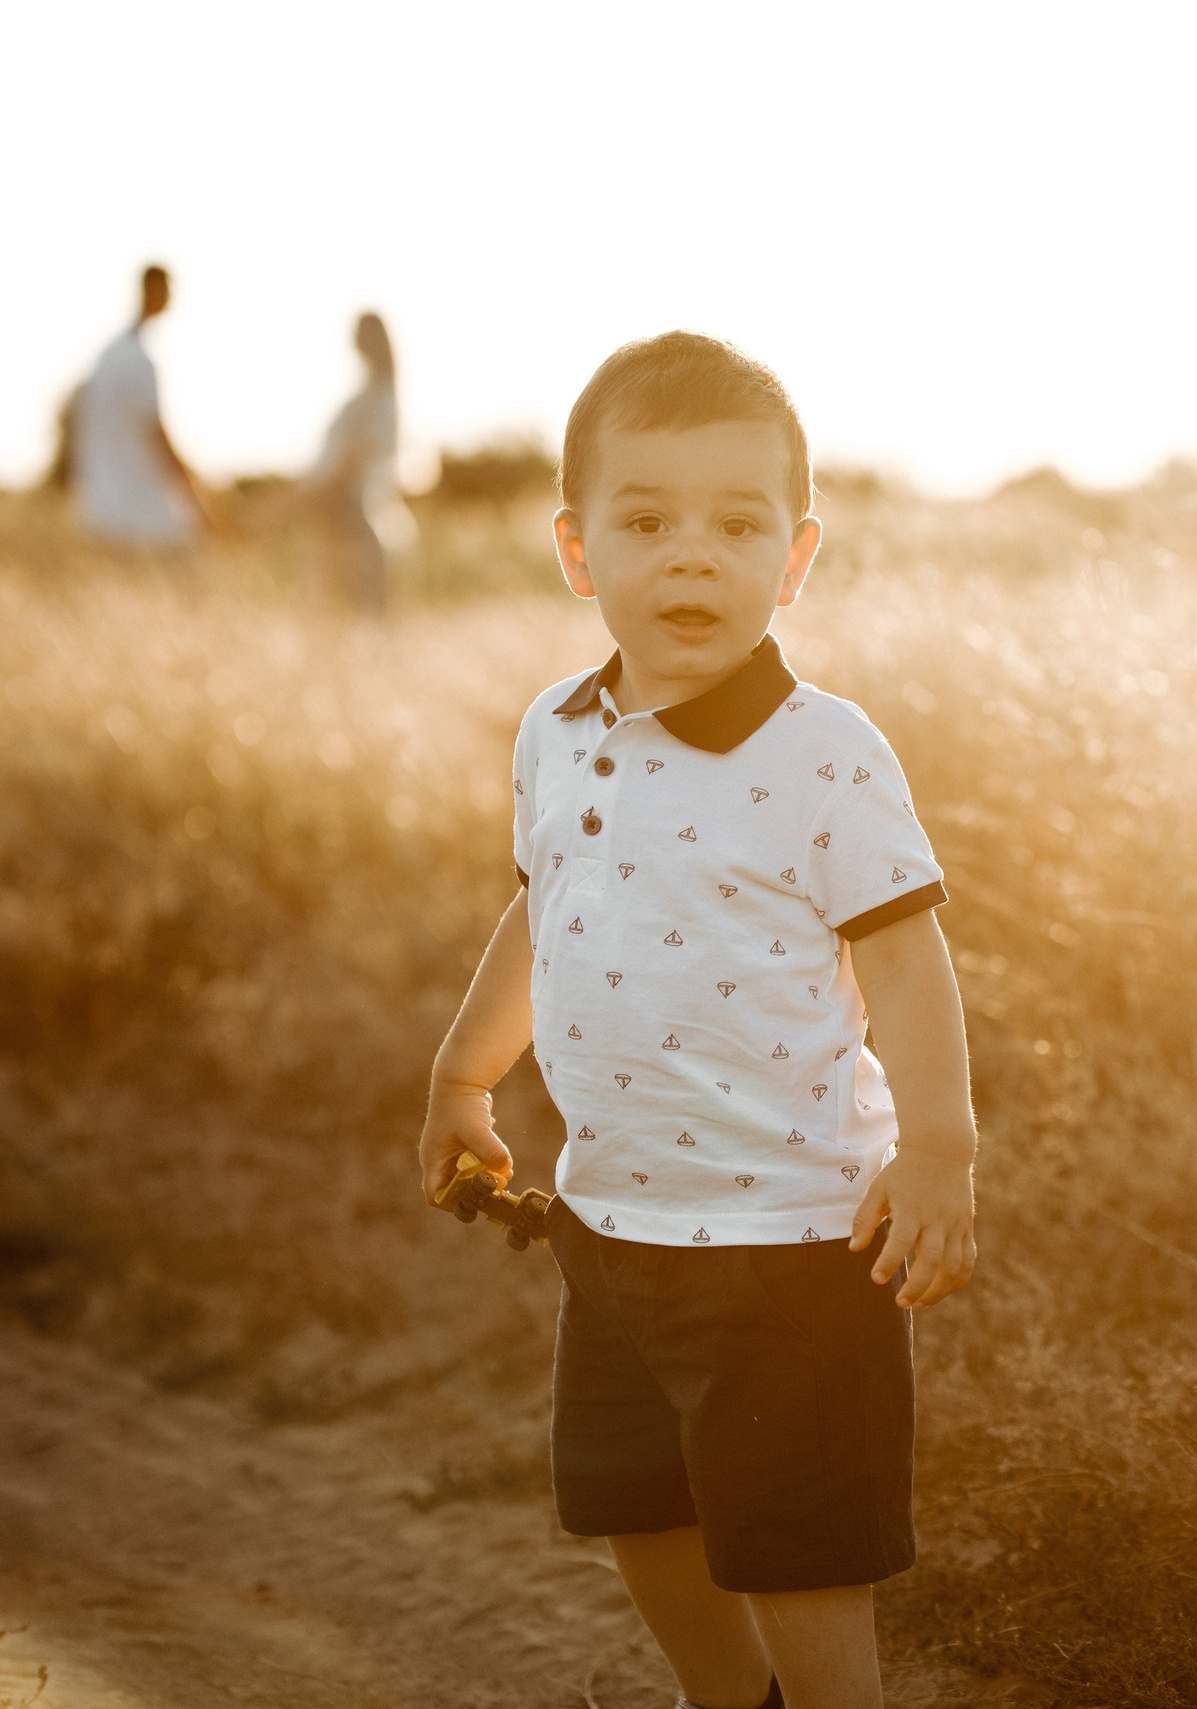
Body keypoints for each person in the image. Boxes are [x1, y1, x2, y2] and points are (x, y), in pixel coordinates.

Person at [417, 332, 978, 1709]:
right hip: (609, 1222)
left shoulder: (823, 754)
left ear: (794, 560)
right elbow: (542, 910)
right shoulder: (557, 731)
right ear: (578, 551)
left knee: (797, 1551)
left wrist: (943, 1153)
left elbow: (908, 961)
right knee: (636, 1510)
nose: (690, 557)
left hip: (790, 1243)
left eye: (736, 526)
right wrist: (464, 1077)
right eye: (648, 521)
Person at [71, 264, 209, 548]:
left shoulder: (107, 355)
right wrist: (200, 502)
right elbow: (157, 437)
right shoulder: (139, 361)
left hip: (101, 510)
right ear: (152, 290)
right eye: (167, 289)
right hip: (143, 521)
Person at [303, 311, 410, 612]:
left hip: (352, 528)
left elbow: (337, 471)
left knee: (350, 624)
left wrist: (270, 512)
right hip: (352, 524)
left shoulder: (374, 402)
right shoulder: (378, 399)